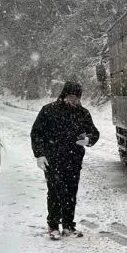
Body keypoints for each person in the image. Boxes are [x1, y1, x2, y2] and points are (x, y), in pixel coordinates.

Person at [30, 81, 100, 240]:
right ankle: (53, 225)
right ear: (63, 95)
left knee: (70, 192)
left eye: (76, 97)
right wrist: (39, 154)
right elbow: (36, 133)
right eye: (70, 96)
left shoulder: (83, 113)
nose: (73, 100)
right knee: (55, 192)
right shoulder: (49, 111)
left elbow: (94, 133)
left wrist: (88, 139)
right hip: (52, 160)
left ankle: (68, 225)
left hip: (74, 160)